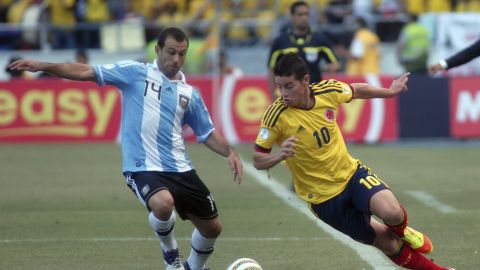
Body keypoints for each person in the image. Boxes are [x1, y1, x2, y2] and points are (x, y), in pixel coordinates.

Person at [9, 27, 243, 270]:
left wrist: (230, 152)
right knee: (163, 204)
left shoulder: (190, 94)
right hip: (141, 166)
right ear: (158, 50)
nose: (176, 60)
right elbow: (86, 71)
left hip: (180, 167)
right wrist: (44, 66)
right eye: (171, 52)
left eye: (182, 54)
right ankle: (170, 254)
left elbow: (207, 133)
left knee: (212, 228)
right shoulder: (134, 73)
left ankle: (192, 267)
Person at [252, 53, 455, 270]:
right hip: (324, 200)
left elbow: (356, 90)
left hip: (351, 175)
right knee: (388, 243)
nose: (283, 94)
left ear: (305, 80)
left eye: (288, 86)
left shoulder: (327, 92)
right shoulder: (275, 116)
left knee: (392, 212)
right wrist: (279, 155)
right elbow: (258, 158)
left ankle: (404, 230)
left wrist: (388, 92)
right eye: (279, 87)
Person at [267, 1, 339, 97]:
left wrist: (321, 68)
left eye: (306, 14)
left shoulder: (320, 39)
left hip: (314, 94)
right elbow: (271, 69)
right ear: (292, 16)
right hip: (289, 96)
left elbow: (335, 64)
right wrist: (273, 94)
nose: (304, 17)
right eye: (300, 14)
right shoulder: (280, 41)